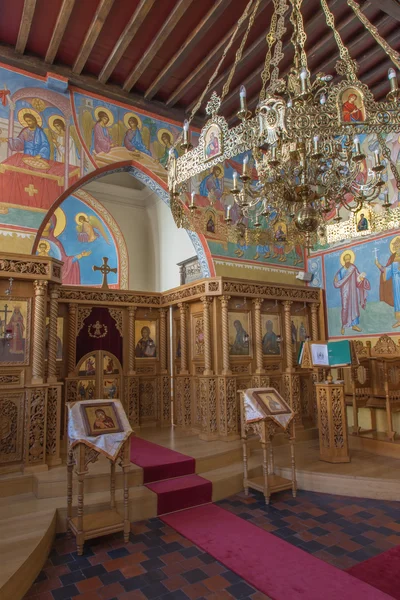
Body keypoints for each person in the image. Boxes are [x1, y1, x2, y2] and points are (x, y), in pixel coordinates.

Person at [334, 252, 370, 335]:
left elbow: (357, 280)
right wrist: (336, 282)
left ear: (350, 259)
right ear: (344, 260)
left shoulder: (353, 268)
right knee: (345, 308)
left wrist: (361, 278)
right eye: (346, 259)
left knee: (354, 307)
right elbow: (337, 282)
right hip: (345, 292)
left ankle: (354, 325)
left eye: (349, 259)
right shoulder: (341, 271)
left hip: (353, 292)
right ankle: (343, 325)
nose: (348, 261)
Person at [376, 236, 400, 328]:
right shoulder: (393, 258)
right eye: (395, 247)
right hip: (396, 283)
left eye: (398, 246)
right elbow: (387, 270)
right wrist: (379, 265)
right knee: (398, 302)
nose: (396, 248)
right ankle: (399, 320)